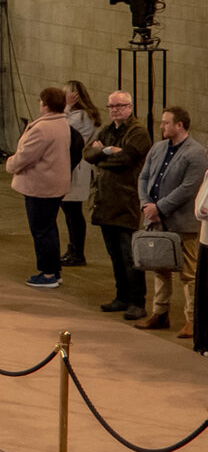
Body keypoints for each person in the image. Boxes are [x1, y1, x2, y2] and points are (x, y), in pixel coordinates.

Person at [133, 106, 206, 330]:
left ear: (179, 125)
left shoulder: (196, 153)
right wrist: (146, 204)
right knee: (159, 268)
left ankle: (192, 318)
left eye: (166, 122)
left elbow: (188, 188)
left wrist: (160, 207)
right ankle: (159, 312)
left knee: (188, 272)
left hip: (182, 221)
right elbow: (144, 176)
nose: (162, 126)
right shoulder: (158, 148)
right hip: (156, 219)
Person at [84, 93, 152, 317]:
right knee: (114, 254)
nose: (115, 110)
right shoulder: (107, 130)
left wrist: (102, 155)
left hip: (126, 201)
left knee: (130, 256)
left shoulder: (138, 132)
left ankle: (137, 302)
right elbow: (87, 154)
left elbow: (127, 158)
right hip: (105, 202)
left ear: (130, 107)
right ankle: (121, 296)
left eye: (120, 106)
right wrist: (107, 151)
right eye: (111, 106)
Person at [5, 86, 72, 289]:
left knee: (41, 230)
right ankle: (54, 270)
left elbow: (25, 156)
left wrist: (10, 164)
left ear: (45, 105)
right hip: (55, 184)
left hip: (40, 186)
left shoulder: (42, 128)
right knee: (49, 228)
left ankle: (48, 273)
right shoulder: (63, 123)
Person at [61, 81, 102, 267]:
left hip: (77, 168)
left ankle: (78, 252)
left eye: (67, 94)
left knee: (74, 212)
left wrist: (67, 107)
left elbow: (61, 129)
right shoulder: (76, 114)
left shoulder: (81, 116)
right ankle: (72, 248)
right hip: (72, 166)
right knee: (69, 212)